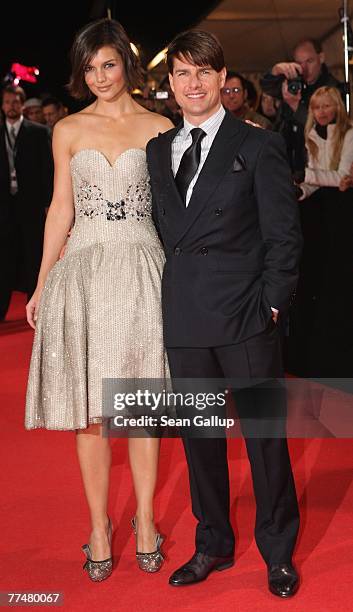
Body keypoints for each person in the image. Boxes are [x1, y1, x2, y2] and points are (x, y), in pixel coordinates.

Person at [147, 30, 302, 598]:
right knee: (200, 439)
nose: (194, 83)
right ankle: (212, 543)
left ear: (222, 79)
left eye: (204, 73)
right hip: (186, 317)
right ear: (170, 85)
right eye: (183, 74)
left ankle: (279, 553)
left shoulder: (256, 145)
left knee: (265, 440)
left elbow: (284, 236)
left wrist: (273, 303)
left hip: (246, 316)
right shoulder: (157, 150)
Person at [25, 18, 173, 582]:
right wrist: (42, 281)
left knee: (139, 409)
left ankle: (146, 520)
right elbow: (60, 208)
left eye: (108, 64)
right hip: (83, 272)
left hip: (141, 270)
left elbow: (170, 210)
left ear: (126, 64)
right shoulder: (67, 128)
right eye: (89, 67)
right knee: (90, 414)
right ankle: (97, 525)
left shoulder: (160, 124)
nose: (99, 77)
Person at [289, 87, 353, 377]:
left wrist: (307, 176)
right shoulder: (312, 135)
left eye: (327, 106)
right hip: (322, 208)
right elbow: (317, 180)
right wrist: (298, 190)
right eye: (317, 107)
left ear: (337, 106)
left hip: (343, 209)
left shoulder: (349, 133)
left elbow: (341, 177)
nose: (322, 112)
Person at [0, 85, 53, 320]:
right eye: (7, 101)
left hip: (31, 205)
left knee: (34, 255)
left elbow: (48, 170)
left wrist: (48, 203)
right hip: (4, 208)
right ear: (2, 105)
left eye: (15, 102)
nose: (11, 106)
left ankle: (36, 305)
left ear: (22, 104)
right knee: (4, 256)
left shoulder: (39, 132)